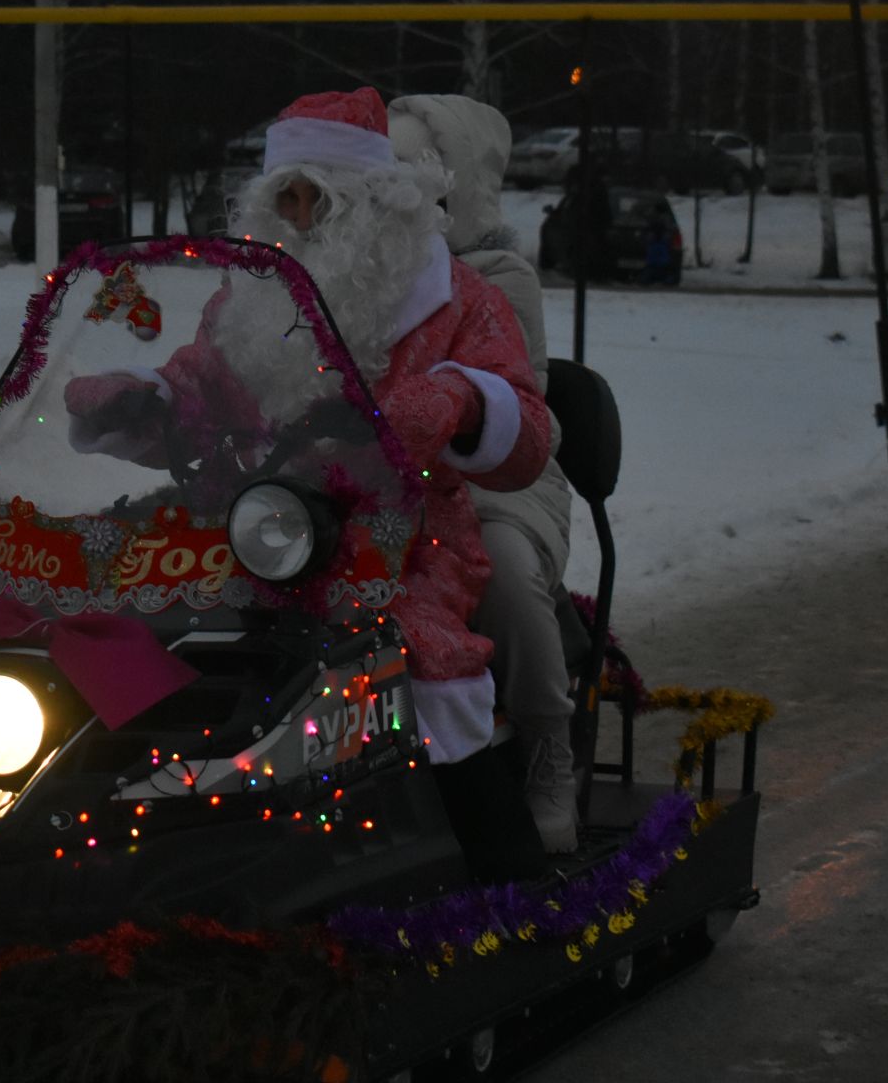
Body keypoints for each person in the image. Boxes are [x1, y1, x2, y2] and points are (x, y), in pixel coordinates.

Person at [66, 87, 554, 881]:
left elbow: (527, 434)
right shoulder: (248, 300)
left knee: (425, 666)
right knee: (130, 619)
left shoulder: (456, 300)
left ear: (367, 198)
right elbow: (199, 390)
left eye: (312, 197)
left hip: (400, 536)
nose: (294, 218)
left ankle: (497, 870)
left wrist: (460, 400)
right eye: (281, 198)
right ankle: (131, 831)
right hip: (250, 526)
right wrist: (145, 399)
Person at [386, 93, 579, 855]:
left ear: (450, 180)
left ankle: (545, 758)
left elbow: (517, 409)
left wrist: (449, 412)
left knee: (497, 569)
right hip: (381, 475)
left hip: (493, 478)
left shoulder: (497, 275)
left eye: (404, 167)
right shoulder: (359, 270)